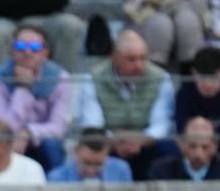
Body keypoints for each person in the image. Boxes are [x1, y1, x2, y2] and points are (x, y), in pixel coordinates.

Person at [74, 27, 177, 180]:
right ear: (115, 57)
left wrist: (140, 139)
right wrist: (115, 140)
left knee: (171, 150)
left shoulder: (160, 78)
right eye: (131, 59)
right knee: (92, 147)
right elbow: (92, 123)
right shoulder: (94, 78)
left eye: (143, 58)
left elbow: (162, 124)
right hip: (109, 143)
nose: (139, 65)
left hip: (146, 143)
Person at [0, 23, 70, 171]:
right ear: (12, 51)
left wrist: (28, 132)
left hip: (41, 140)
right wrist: (23, 89)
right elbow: (3, 127)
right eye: (21, 46)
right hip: (9, 141)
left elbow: (58, 127)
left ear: (45, 53)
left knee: (52, 145)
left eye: (35, 48)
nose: (28, 52)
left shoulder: (60, 79)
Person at [122, 0, 210, 71]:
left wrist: (169, 2)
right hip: (144, 14)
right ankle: (155, 77)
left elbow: (197, 5)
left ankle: (190, 77)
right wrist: (168, 2)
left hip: (184, 13)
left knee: (188, 22)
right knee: (161, 25)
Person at [147, 116, 220, 179]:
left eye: (205, 147)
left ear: (215, 145)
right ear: (181, 144)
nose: (198, 153)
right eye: (192, 146)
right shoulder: (162, 170)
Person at [46, 126, 134, 181]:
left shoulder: (121, 170)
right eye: (87, 163)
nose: (91, 171)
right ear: (76, 150)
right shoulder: (57, 178)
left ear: (107, 153)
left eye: (99, 164)